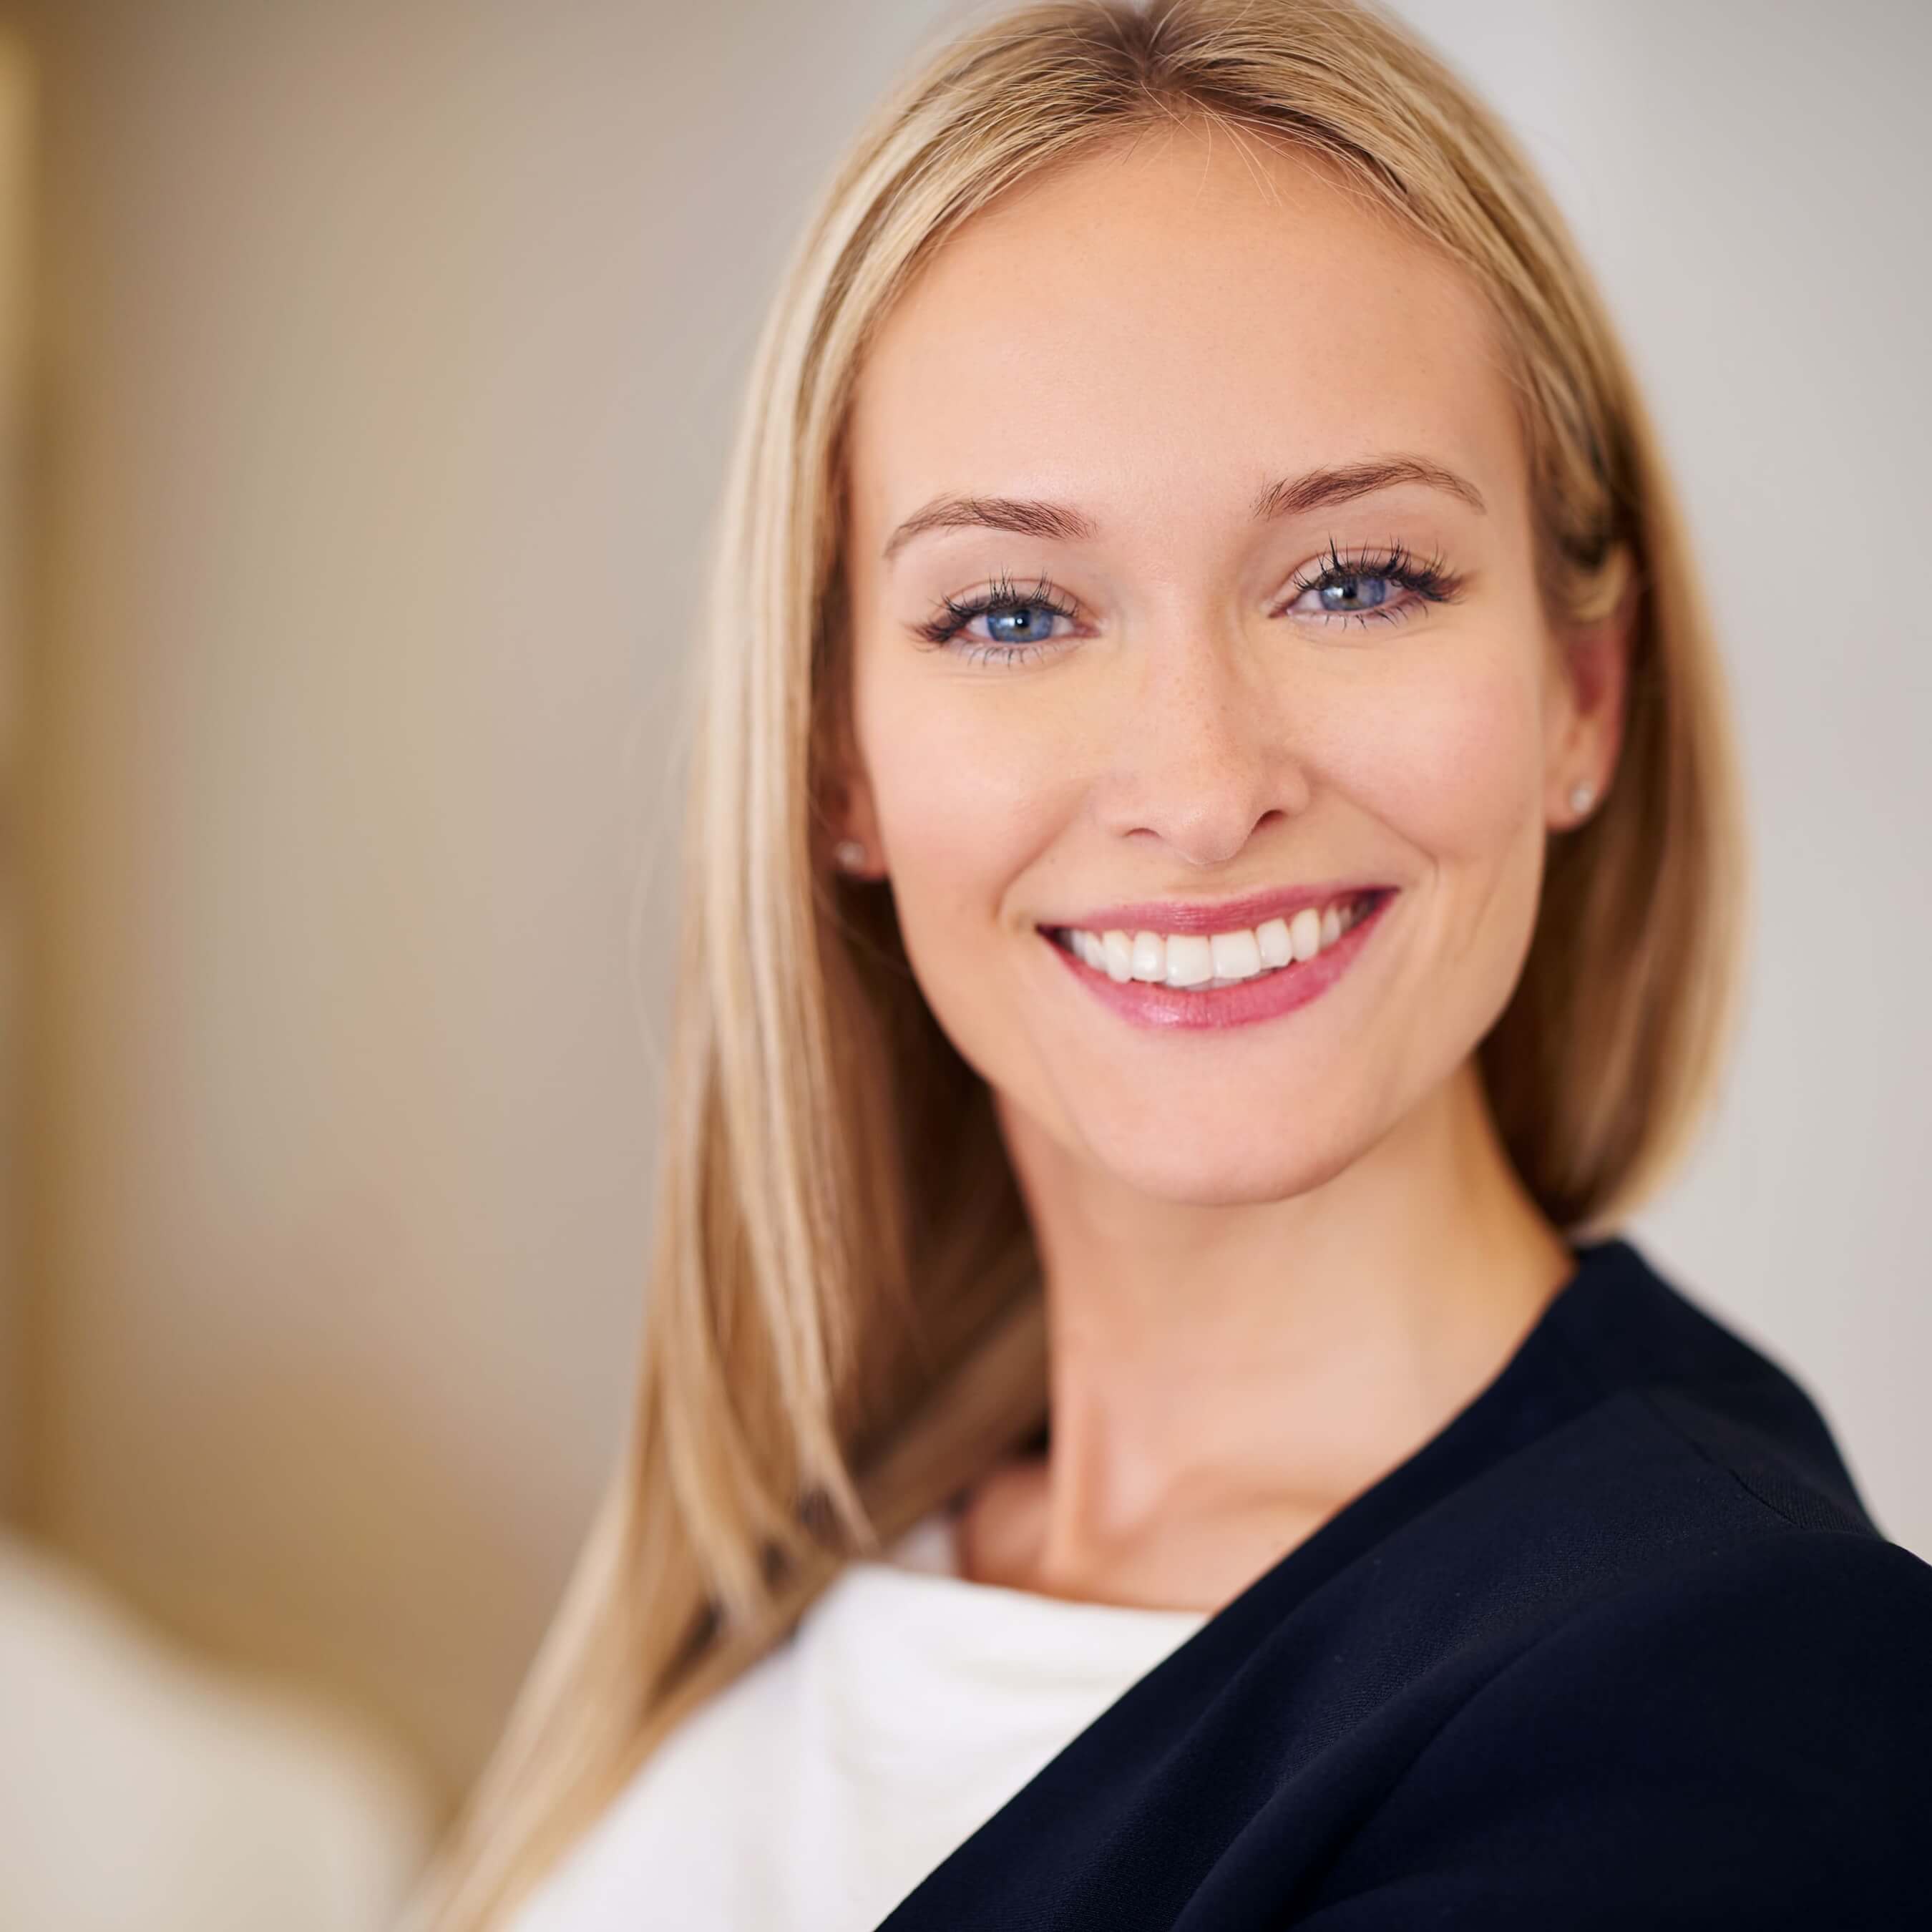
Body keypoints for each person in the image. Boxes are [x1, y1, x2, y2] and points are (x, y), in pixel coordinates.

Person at [399, 2, 1932, 1927]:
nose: (1203, 790)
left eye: (1358, 578)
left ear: (1580, 692)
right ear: (837, 761)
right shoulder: (831, 1529)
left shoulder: (1742, 1707)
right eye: (1015, 609)